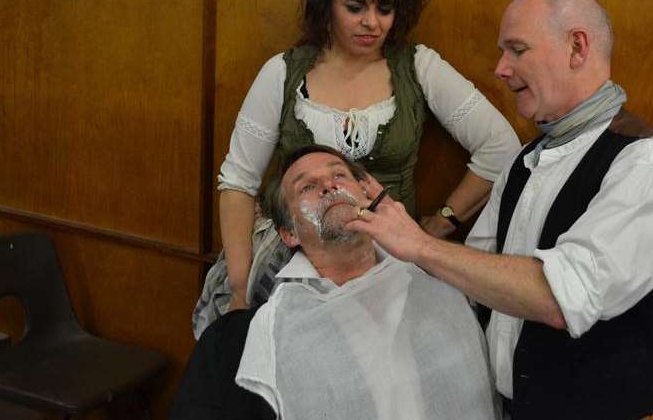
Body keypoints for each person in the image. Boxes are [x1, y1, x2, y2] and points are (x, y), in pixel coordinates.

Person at [347, 0, 653, 419]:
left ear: (577, 47)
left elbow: (561, 297)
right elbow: (469, 285)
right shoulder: (524, 161)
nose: (500, 68)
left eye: (517, 50)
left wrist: (420, 243)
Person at [192, 0, 521, 337]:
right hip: (298, 257)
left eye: (385, 10)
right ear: (326, 5)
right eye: (354, 7)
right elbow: (238, 181)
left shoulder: (418, 66)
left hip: (390, 262)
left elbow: (500, 145)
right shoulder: (284, 72)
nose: (372, 23)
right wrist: (241, 289)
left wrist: (441, 222)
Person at [172, 146, 501, 420]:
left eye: (339, 175)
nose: (329, 186)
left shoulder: (443, 290)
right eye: (307, 187)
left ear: (368, 197)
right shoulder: (241, 342)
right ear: (289, 234)